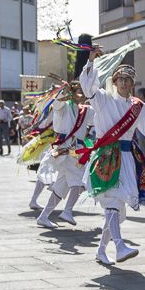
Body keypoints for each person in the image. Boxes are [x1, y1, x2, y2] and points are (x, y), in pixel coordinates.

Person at [80, 48, 145, 265]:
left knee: (117, 207)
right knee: (112, 202)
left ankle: (101, 250)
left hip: (126, 158)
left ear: (133, 84)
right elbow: (88, 87)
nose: (124, 83)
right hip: (106, 157)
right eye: (121, 79)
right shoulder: (104, 99)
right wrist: (90, 62)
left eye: (128, 80)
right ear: (115, 81)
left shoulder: (138, 107)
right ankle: (119, 246)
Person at [36, 82, 92, 229]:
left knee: (62, 186)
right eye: (79, 91)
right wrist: (64, 92)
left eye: (84, 92)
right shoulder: (63, 106)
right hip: (64, 149)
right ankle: (67, 211)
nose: (82, 94)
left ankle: (43, 216)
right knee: (81, 180)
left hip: (76, 150)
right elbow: (56, 104)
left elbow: (100, 116)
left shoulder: (85, 110)